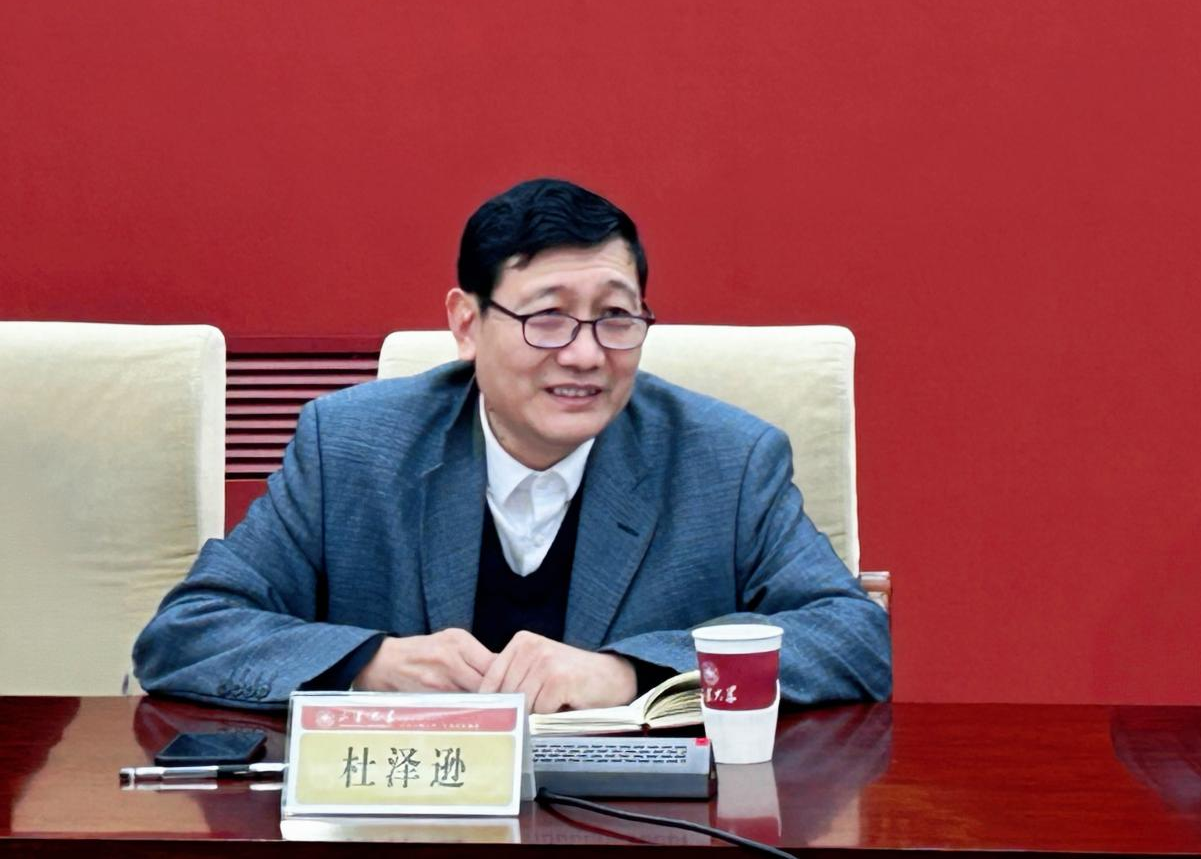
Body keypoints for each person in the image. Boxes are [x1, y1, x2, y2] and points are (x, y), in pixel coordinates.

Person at [133, 178, 892, 711]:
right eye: (547, 319)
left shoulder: (726, 461)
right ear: (467, 324)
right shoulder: (351, 450)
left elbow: (852, 639)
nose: (586, 355)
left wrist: (631, 673)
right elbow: (187, 634)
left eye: (616, 318)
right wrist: (370, 662)